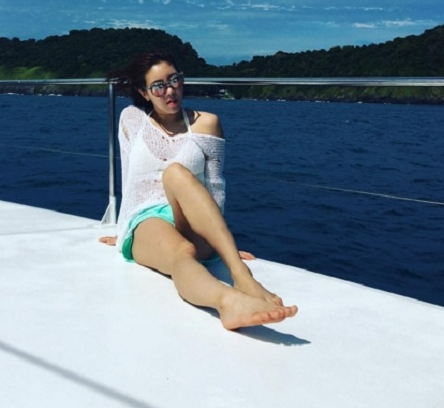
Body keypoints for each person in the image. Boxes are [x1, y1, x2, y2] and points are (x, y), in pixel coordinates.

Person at [100, 50, 298, 330]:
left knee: (176, 174)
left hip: (192, 216)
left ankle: (242, 276)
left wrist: (225, 247)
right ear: (144, 93)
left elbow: (216, 187)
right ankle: (227, 302)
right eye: (158, 86)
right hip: (148, 218)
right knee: (183, 251)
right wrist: (123, 231)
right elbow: (129, 177)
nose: (170, 90)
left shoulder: (207, 123)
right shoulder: (132, 119)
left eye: (174, 80)